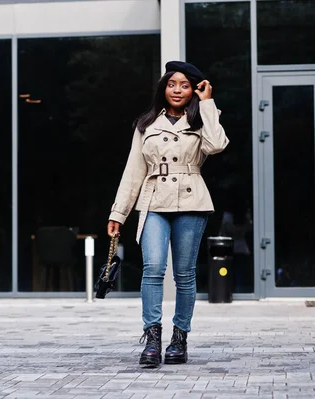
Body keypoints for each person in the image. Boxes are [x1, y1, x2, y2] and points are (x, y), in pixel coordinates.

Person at [106, 61, 229, 366]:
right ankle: (152, 339)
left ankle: (179, 339)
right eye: (172, 84)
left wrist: (208, 103)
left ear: (194, 90)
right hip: (153, 202)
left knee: (184, 274)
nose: (177, 90)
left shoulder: (203, 119)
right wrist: (118, 214)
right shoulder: (146, 124)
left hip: (191, 202)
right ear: (163, 88)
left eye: (185, 85)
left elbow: (217, 145)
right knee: (154, 268)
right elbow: (133, 170)